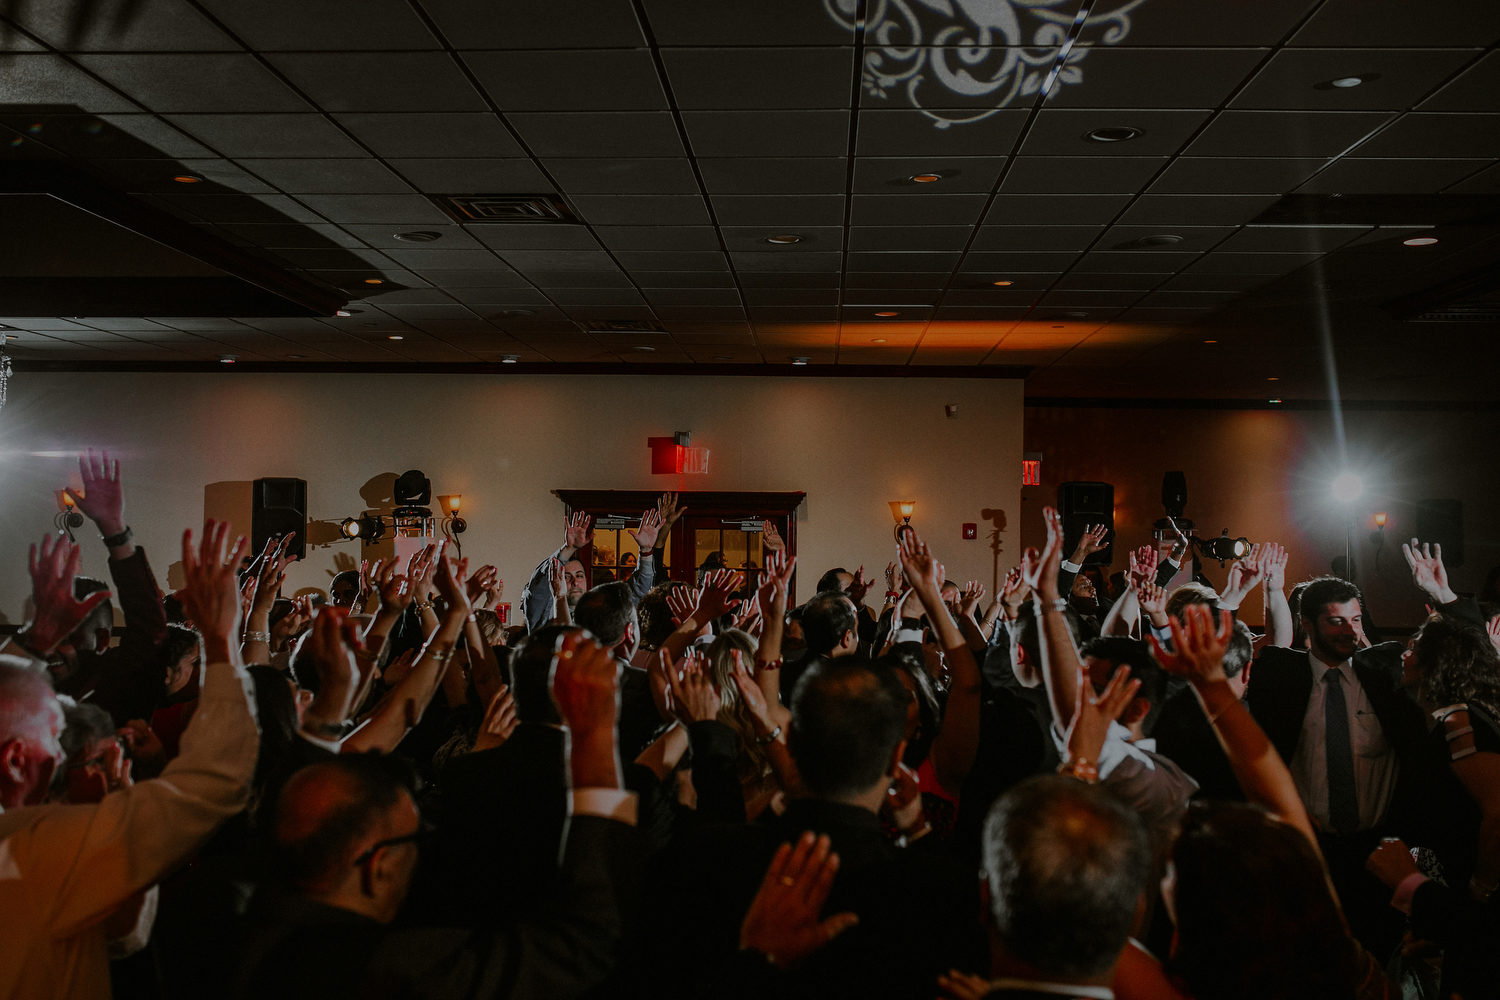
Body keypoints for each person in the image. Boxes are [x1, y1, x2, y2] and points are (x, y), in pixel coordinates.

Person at [231, 632, 646, 1000]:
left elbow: (285, 796)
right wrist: (594, 732)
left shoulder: (252, 912)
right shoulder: (392, 972)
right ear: (377, 867)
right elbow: (580, 943)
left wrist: (331, 701)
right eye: (415, 839)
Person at [0, 523, 259, 1000]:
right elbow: (215, 779)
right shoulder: (38, 852)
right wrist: (223, 641)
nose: (63, 751)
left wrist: (30, 645)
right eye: (54, 737)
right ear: (16, 760)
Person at [632, 654, 987, 998]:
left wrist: (708, 733)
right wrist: (919, 833)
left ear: (794, 745)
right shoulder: (941, 894)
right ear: (896, 759)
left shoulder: (707, 857)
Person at [1244, 542, 1483, 955]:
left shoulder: (1388, 667)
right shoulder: (1282, 674)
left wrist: (1441, 594)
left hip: (1379, 851)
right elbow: (1265, 643)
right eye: (1335, 622)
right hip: (1306, 852)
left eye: (1355, 620)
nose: (1350, 631)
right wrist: (1268, 591)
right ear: (1309, 625)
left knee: (1379, 955)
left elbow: (1466, 654)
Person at [1366, 614, 1500, 1000]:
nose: (1404, 656)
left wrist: (1479, 892)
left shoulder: (1460, 721)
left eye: (1413, 650)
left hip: (1472, 903)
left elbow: (1498, 810)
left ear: (1435, 663)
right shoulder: (1444, 718)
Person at [12, 451, 170, 726]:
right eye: (47, 629)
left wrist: (114, 529)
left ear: (103, 640)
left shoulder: (118, 683)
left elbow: (149, 627)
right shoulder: (26, 687)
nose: (51, 647)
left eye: (67, 636)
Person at [520, 509, 661, 634]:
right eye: (567, 577)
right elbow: (538, 586)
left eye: (580, 576)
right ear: (556, 581)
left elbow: (637, 594)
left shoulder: (599, 613)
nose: (575, 582)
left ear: (587, 580)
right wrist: (568, 549)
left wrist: (646, 552)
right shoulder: (544, 611)